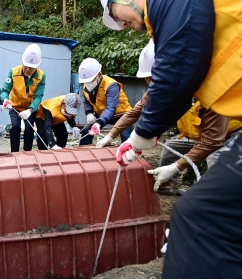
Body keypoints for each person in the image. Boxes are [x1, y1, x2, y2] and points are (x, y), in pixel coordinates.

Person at [101, 0, 242, 277]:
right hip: (194, 134)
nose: (120, 25)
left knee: (200, 213)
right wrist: (120, 135)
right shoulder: (168, 23)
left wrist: (147, 139)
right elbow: (150, 103)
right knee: (200, 212)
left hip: (228, 135)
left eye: (115, 16)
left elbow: (177, 71)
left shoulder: (174, 8)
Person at [97, 40, 229, 195]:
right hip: (195, 133)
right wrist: (111, 135)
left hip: (228, 135)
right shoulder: (160, 88)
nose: (149, 82)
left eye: (152, 77)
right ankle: (165, 182)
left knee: (216, 165)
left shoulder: (211, 89)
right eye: (147, 78)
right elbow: (136, 112)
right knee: (171, 148)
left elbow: (212, 140)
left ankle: (218, 203)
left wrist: (176, 166)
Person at [1, 43, 46, 152]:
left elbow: (38, 96)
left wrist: (30, 110)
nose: (27, 69)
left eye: (30, 68)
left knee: (29, 128)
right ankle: (14, 153)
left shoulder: (41, 76)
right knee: (15, 126)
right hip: (15, 106)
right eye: (25, 66)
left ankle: (27, 153)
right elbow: (5, 90)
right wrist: (5, 100)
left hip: (29, 108)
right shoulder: (13, 72)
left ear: (36, 67)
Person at [78, 57, 133, 145]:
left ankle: (132, 156)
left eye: (91, 80)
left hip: (121, 115)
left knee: (127, 137)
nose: (88, 83)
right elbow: (87, 101)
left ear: (99, 75)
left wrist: (99, 123)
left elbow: (111, 108)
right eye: (86, 81)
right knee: (86, 132)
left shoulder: (111, 85)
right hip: (102, 115)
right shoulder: (86, 85)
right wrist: (89, 113)